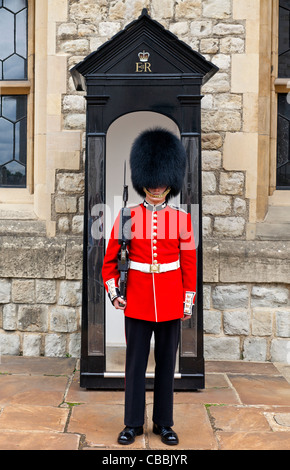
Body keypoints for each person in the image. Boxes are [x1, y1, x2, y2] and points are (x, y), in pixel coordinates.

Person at [102, 128, 197, 446]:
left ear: (170, 184)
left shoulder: (182, 219)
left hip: (170, 303)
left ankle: (164, 423)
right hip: (139, 302)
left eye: (162, 184)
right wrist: (116, 293)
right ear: (142, 182)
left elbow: (189, 265)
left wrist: (187, 302)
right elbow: (109, 262)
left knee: (167, 365)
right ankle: (132, 423)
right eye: (152, 184)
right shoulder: (128, 215)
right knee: (135, 365)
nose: (157, 189)